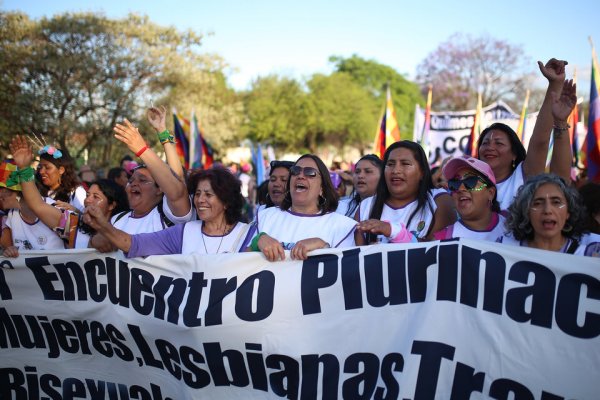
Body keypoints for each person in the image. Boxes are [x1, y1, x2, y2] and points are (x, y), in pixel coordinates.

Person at [84, 167, 251, 256]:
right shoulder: (183, 233)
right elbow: (133, 244)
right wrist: (103, 226)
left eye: (208, 195)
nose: (200, 200)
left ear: (227, 202)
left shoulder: (247, 234)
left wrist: (261, 241)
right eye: (198, 194)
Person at [476, 58, 571, 211]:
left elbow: (540, 141)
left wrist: (555, 84)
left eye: (498, 143)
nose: (489, 147)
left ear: (514, 154)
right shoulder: (466, 183)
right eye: (485, 143)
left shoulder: (524, 177)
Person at [10, 134, 129, 249]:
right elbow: (37, 205)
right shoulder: (73, 226)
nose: (87, 200)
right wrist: (24, 168)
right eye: (87, 195)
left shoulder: (128, 227)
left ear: (112, 205)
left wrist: (108, 237)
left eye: (96, 197)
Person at [249, 154, 357, 261]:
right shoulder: (265, 216)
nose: (300, 176)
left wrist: (324, 247)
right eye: (295, 171)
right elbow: (238, 262)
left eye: (310, 173)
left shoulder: (343, 227)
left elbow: (349, 271)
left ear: (322, 188)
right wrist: (257, 241)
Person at [356, 141, 455, 243]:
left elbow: (434, 251)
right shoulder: (365, 207)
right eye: (390, 164)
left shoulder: (439, 200)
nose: (395, 170)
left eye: (405, 164)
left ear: (422, 172)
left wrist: (392, 231)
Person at [497, 173, 598, 256]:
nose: (547, 210)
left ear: (568, 212)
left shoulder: (589, 255)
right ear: (526, 212)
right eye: (537, 203)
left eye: (556, 202)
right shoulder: (504, 249)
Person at [0, 159, 64, 257]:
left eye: (1, 189)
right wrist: (10, 250)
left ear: (16, 190)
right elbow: (15, 251)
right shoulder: (11, 215)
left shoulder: (53, 207)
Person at [433, 155, 504, 241]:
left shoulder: (516, 229)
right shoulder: (441, 241)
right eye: (455, 183)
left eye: (470, 181)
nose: (460, 188)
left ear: (491, 193)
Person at [36, 144, 87, 212]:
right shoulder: (37, 190)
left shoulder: (76, 192)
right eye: (40, 167)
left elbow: (85, 218)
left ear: (61, 170)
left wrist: (74, 210)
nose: (41, 171)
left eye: (47, 167)